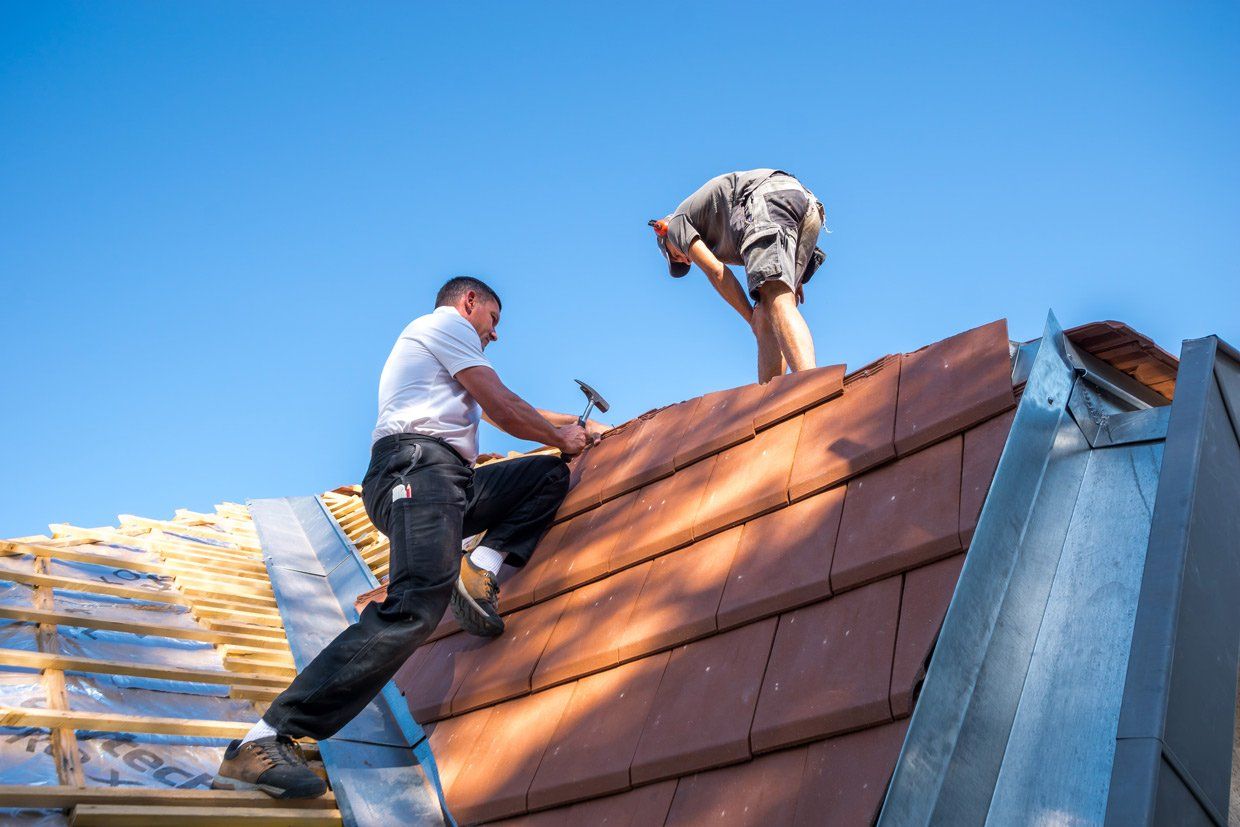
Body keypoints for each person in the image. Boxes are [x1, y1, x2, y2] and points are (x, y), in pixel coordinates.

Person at [213, 276, 606, 799]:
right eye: (493, 321)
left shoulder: (447, 352)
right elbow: (505, 407)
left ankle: (481, 565)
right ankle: (264, 739)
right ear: (470, 303)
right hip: (418, 472)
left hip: (447, 481)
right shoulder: (442, 326)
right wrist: (560, 436)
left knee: (544, 476)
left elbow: (496, 410)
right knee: (415, 605)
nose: (494, 335)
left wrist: (580, 433)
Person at [650, 169, 827, 383]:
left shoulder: (675, 227)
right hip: (804, 205)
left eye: (675, 255)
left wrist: (749, 318)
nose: (685, 260)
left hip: (766, 199)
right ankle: (772, 400)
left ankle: (811, 384)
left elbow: (716, 272)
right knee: (767, 313)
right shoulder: (711, 229)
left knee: (774, 297)